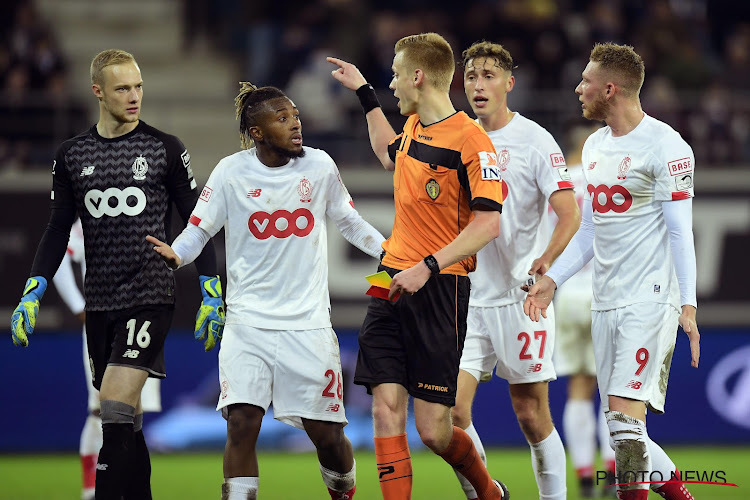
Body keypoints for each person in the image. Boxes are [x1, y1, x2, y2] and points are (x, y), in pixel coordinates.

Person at [146, 82, 385, 500]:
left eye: (295, 115)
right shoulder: (230, 172)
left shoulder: (320, 166)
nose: (296, 124)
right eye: (283, 117)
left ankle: (344, 492)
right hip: (247, 325)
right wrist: (177, 255)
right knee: (241, 425)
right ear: (256, 132)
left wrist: (387, 250)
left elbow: (348, 221)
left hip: (307, 326)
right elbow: (198, 229)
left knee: (327, 436)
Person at [10, 49, 223, 500]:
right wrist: (32, 291)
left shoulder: (164, 148)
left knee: (111, 407)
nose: (134, 96)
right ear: (98, 92)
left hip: (150, 294)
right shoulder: (72, 154)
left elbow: (196, 221)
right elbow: (55, 229)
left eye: (139, 86)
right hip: (100, 301)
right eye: (123, 88)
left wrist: (211, 289)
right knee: (128, 421)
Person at [328, 32, 509, 500]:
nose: (391, 83)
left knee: (433, 431)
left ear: (418, 76)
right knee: (385, 410)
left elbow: (488, 224)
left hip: (440, 288)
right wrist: (365, 93)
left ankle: (487, 491)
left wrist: (428, 266)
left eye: (393, 74)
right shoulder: (411, 129)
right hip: (390, 280)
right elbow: (388, 154)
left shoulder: (473, 142)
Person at [524, 42, 700, 500]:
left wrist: (689, 304)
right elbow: (589, 232)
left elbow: (682, 233)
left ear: (609, 88)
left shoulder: (667, 147)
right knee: (624, 430)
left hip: (650, 296)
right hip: (604, 299)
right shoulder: (596, 146)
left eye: (585, 81)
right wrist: (552, 281)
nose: (577, 88)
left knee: (623, 419)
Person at [450, 41, 580, 500]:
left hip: (518, 297)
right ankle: (487, 494)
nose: (478, 85)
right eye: (470, 77)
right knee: (452, 415)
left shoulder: (535, 140)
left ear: (510, 82)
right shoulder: (457, 136)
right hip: (467, 297)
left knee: (530, 414)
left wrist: (547, 264)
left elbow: (569, 213)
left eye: (488, 76)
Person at [51, 218, 163, 500]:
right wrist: (79, 306)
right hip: (104, 321)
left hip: (143, 322)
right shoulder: (98, 207)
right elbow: (58, 252)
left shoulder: (150, 209)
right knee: (102, 411)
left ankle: (127, 488)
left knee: (132, 416)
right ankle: (92, 489)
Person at [549, 125, 616, 498]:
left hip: (566, 292)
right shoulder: (608, 179)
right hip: (604, 292)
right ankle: (610, 470)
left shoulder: (558, 186)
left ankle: (585, 475)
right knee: (610, 389)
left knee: (577, 387)